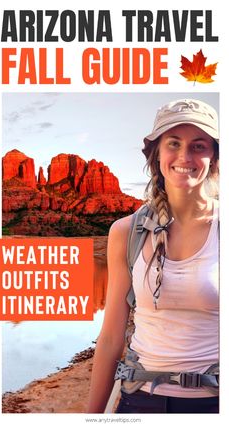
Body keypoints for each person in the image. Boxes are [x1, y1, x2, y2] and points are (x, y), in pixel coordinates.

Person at [87, 98, 219, 414]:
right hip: (139, 400)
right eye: (174, 143)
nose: (185, 156)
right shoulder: (126, 231)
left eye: (199, 145)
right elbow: (110, 338)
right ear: (157, 153)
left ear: (214, 156)